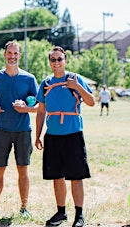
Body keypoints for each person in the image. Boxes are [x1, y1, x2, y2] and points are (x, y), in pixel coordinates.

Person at [35, 46, 95, 227]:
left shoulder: (75, 79)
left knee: (76, 176)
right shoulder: (46, 83)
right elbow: (41, 111)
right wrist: (37, 135)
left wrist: (77, 87)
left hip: (73, 135)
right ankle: (61, 212)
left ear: (65, 60)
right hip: (53, 136)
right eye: (53, 60)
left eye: (59, 59)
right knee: (56, 176)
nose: (56, 63)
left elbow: (91, 101)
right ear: (49, 63)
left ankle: (79, 215)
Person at [0, 41, 38, 219]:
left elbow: (38, 106)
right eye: (9, 53)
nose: (12, 57)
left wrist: (26, 108)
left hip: (23, 131)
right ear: (4, 55)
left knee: (23, 170)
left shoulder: (29, 79)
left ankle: (24, 208)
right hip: (1, 130)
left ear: (19, 56)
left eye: (16, 54)